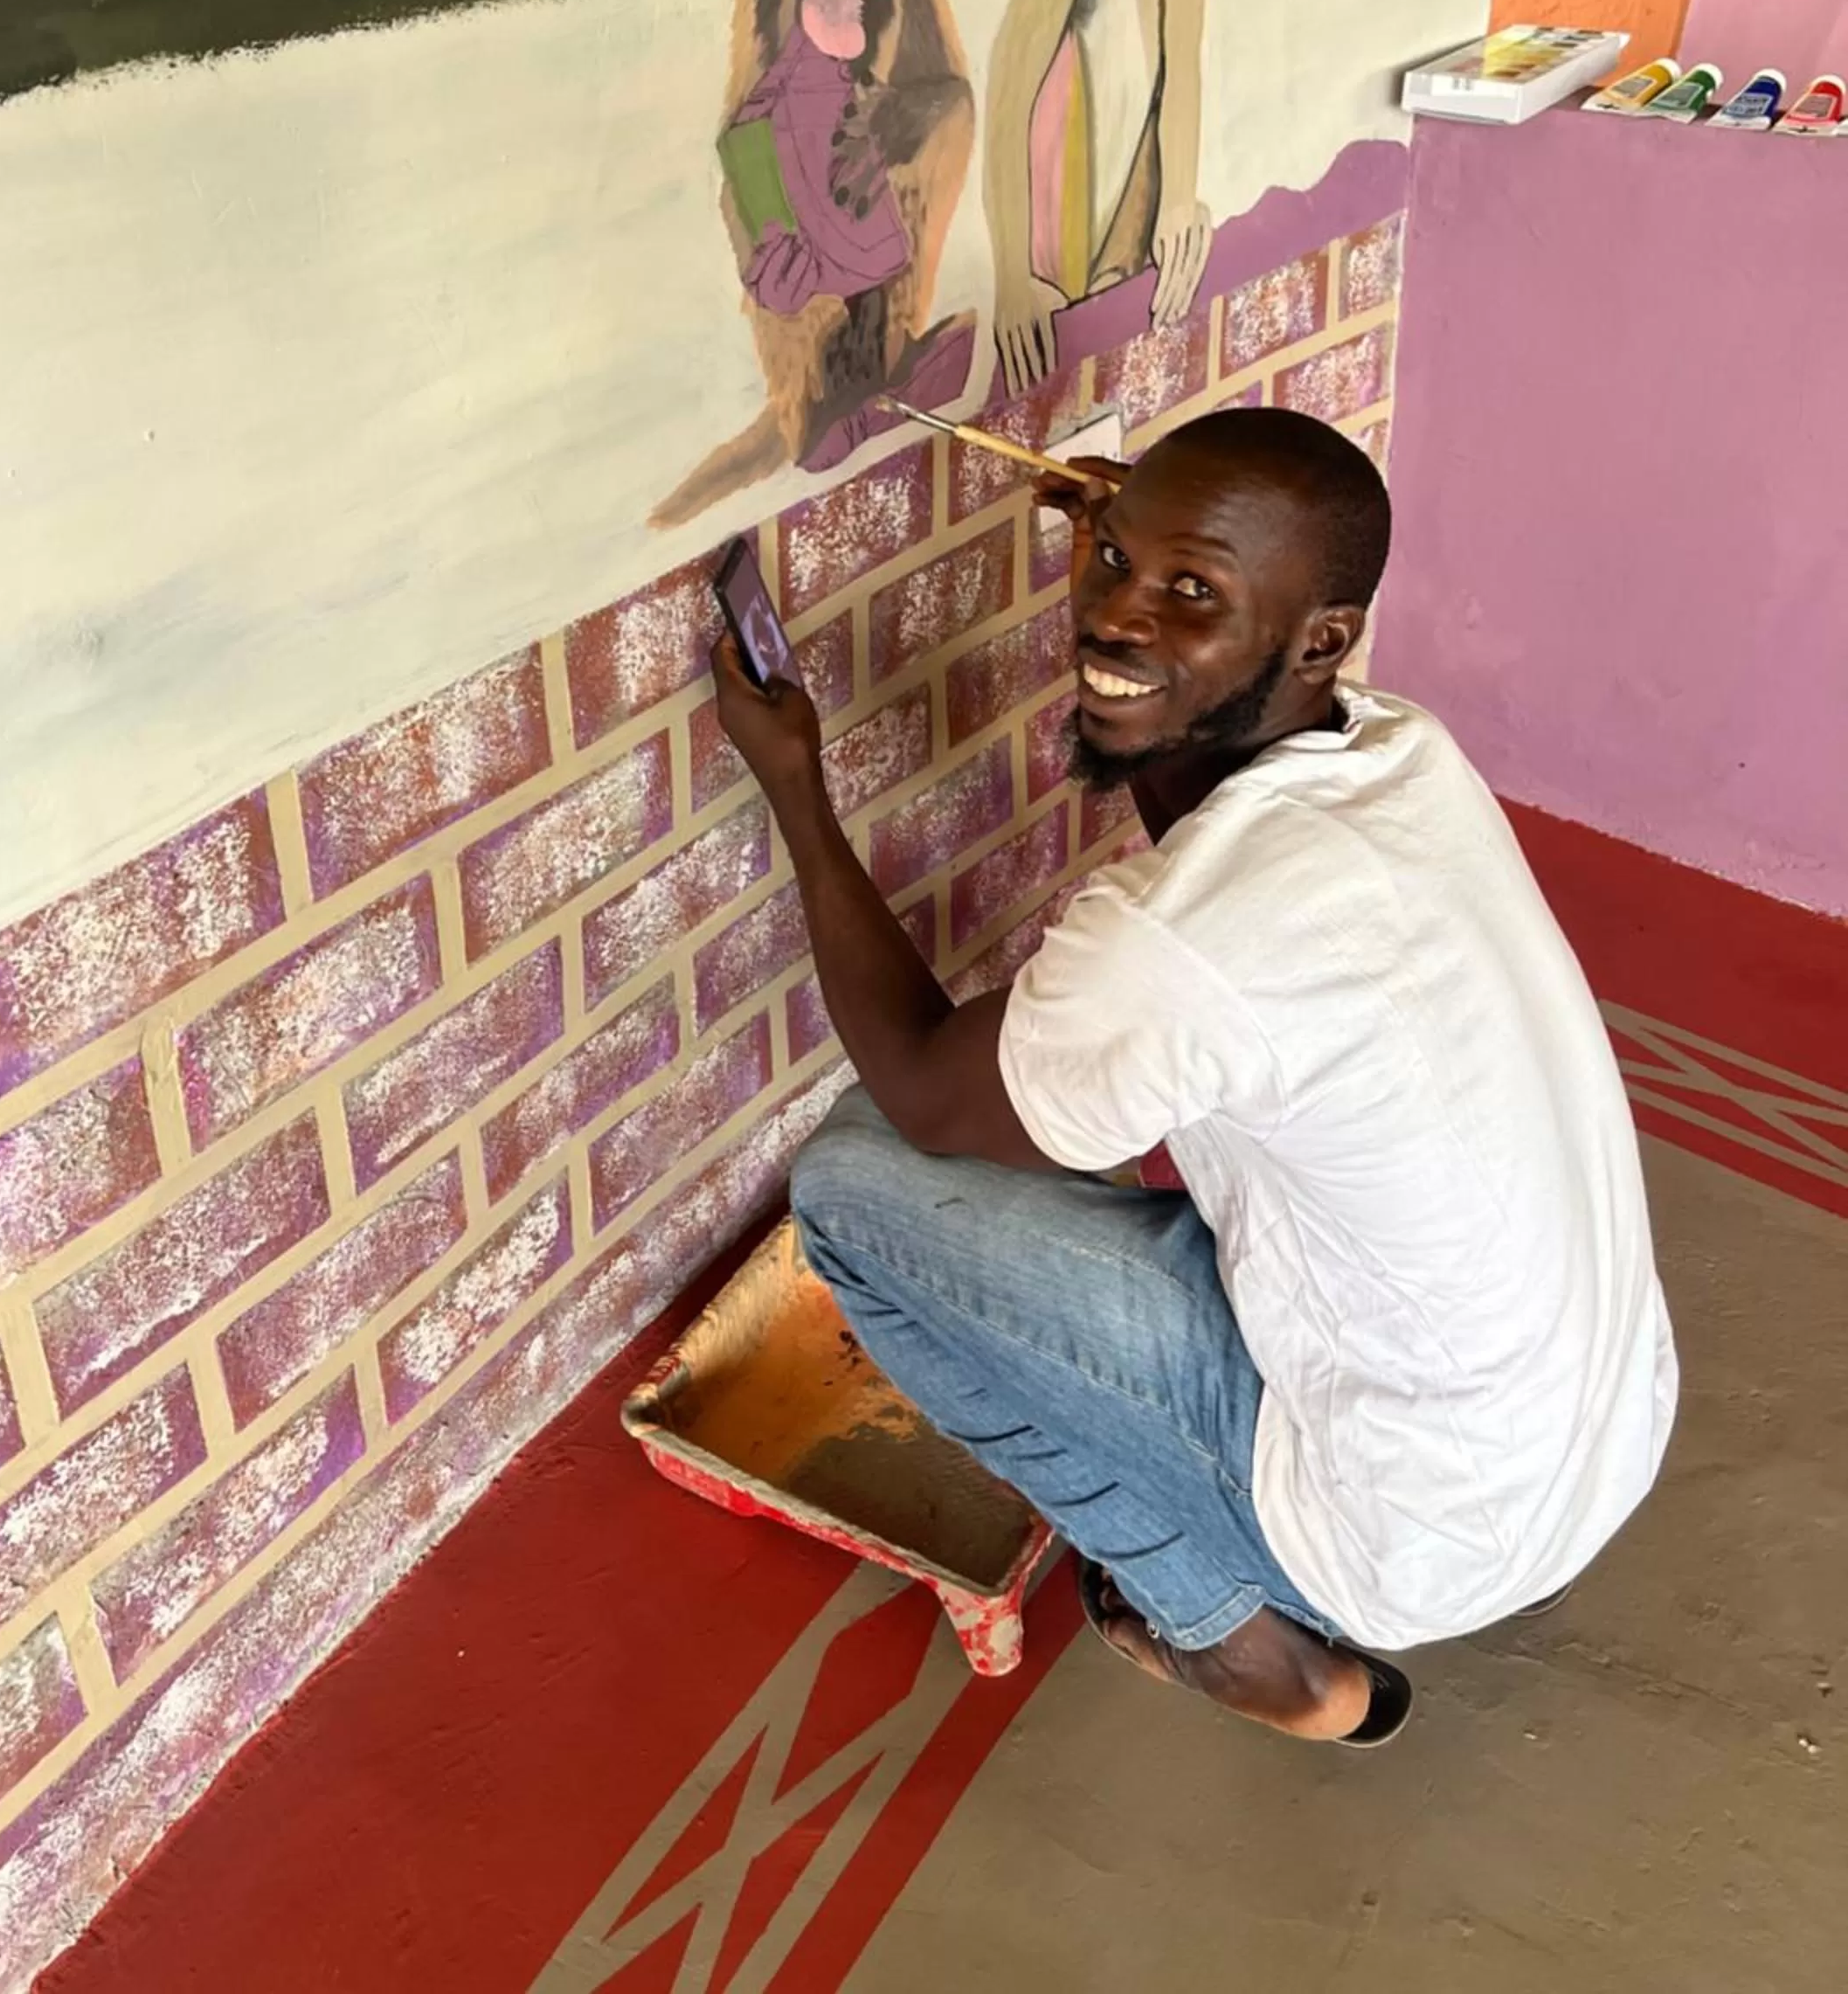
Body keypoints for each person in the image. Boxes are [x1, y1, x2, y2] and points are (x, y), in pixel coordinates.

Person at [709, 406, 1677, 1747]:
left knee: (856, 1187)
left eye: (1188, 593)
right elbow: (1205, 798)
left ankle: (1244, 1645)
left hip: (1412, 1536)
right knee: (1073, 1112)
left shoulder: (1182, 941)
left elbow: (932, 1095)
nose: (1110, 618)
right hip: (1590, 1439)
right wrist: (1178, 580)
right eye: (1110, 559)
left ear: (1316, 637)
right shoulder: (1398, 754)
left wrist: (796, 791)